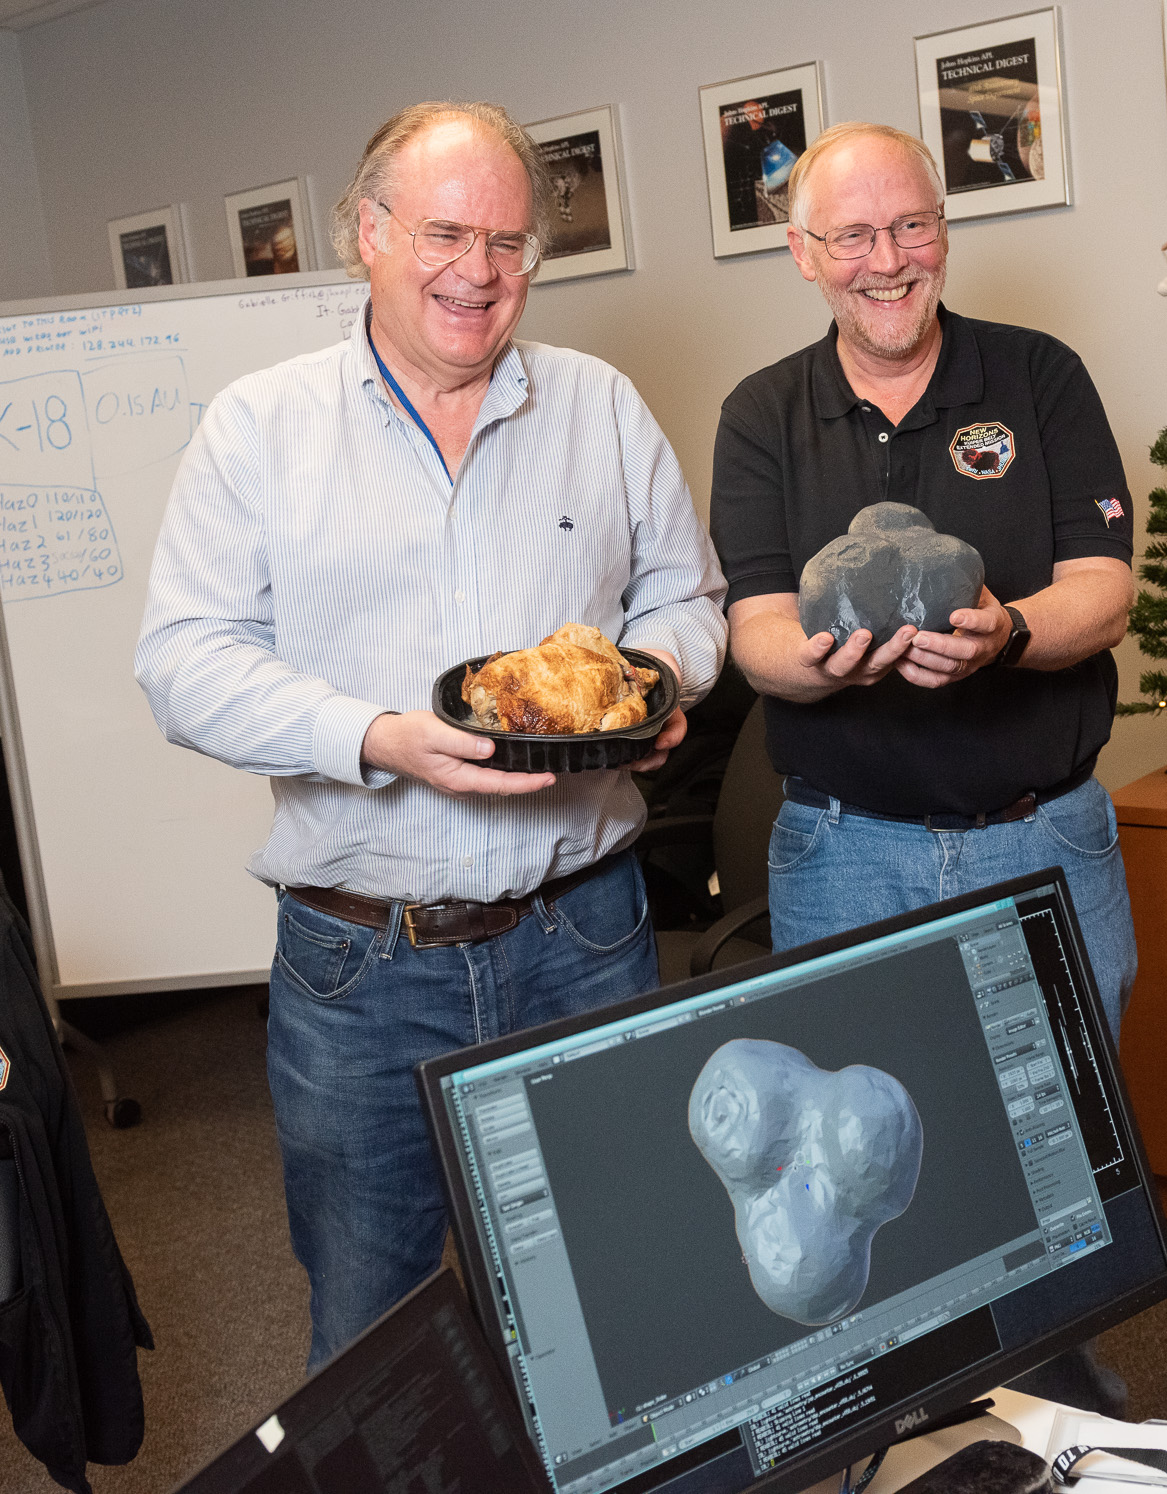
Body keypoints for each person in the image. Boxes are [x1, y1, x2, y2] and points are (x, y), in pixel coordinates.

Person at [135, 100, 727, 1368]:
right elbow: (181, 664)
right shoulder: (259, 427)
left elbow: (686, 599)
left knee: (626, 1303)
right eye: (444, 233)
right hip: (362, 970)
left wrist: (654, 682)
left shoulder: (600, 407)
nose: (478, 271)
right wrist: (374, 737)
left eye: (508, 242)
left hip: (584, 936)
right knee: (377, 1341)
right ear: (367, 232)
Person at [708, 120, 1137, 1415]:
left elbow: (1105, 588)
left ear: (943, 232)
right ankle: (902, 1413)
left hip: (1039, 834)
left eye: (910, 227)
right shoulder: (762, 414)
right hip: (847, 852)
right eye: (852, 235)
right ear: (803, 252)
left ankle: (1058, 1396)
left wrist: (1012, 633)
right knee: (853, 1155)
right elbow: (753, 627)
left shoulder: (1039, 376)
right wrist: (826, 664)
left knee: (1062, 1142)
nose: (886, 260)